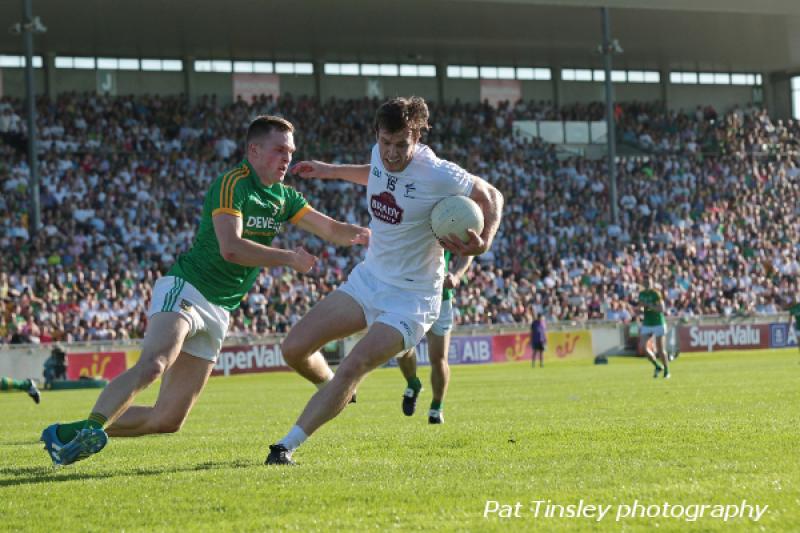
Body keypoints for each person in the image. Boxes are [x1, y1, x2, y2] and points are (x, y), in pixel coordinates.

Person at [40, 115, 370, 466]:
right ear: (254, 151)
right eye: (279, 150)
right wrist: (289, 258)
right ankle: (92, 429)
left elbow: (333, 230)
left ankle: (66, 434)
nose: (287, 158)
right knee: (155, 363)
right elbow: (231, 247)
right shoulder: (232, 184)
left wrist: (374, 236)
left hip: (220, 309)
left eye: (290, 151)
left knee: (167, 419)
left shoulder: (284, 197)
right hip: (187, 288)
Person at [266, 96, 503, 465]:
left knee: (353, 365)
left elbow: (492, 195)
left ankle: (286, 446)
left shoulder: (438, 173)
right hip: (369, 280)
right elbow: (374, 171)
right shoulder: (380, 155)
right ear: (378, 134)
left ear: (417, 136)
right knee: (294, 348)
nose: (391, 153)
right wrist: (329, 170)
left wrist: (483, 242)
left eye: (401, 145)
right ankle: (336, 391)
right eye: (385, 143)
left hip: (413, 298)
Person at [396, 251, 473, 424]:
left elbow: (469, 249)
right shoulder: (408, 224)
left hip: (441, 297)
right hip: (409, 294)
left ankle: (436, 408)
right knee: (402, 347)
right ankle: (413, 383)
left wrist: (457, 275)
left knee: (438, 359)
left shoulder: (447, 223)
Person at [638, 276, 670, 378]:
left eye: (649, 283)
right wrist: (640, 310)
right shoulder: (641, 294)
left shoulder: (656, 293)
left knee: (660, 349)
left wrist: (649, 305)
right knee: (643, 347)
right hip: (647, 323)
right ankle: (657, 366)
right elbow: (641, 308)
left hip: (658, 322)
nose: (647, 285)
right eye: (645, 283)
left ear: (652, 283)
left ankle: (667, 371)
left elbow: (661, 309)